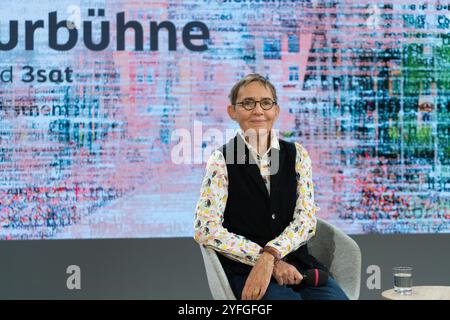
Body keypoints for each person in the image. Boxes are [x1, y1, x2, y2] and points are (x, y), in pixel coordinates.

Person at [193, 73, 348, 300]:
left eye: (266, 103)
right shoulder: (221, 160)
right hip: (245, 269)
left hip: (299, 267)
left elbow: (305, 220)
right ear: (232, 112)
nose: (258, 110)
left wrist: (271, 255)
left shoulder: (297, 155)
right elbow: (205, 228)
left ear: (276, 110)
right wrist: (264, 261)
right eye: (247, 103)